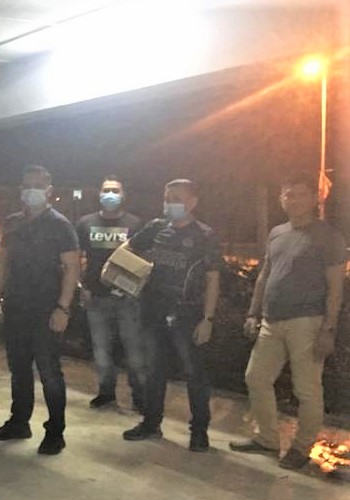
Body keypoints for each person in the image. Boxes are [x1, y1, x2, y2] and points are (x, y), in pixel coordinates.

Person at [230, 176, 346, 469]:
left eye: (300, 195)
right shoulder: (277, 233)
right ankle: (267, 439)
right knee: (256, 378)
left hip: (307, 322)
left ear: (314, 199)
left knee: (307, 389)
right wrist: (253, 313)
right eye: (288, 195)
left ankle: (301, 448)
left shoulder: (328, 237)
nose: (293, 200)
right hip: (271, 320)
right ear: (281, 199)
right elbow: (265, 275)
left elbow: (335, 287)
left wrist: (328, 329)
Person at [122, 179, 221, 453]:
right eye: (167, 198)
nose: (170, 204)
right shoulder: (155, 228)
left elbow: (213, 279)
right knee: (154, 370)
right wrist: (132, 276)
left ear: (193, 202)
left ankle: (199, 431)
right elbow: (127, 249)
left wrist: (208, 319)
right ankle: (151, 423)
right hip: (153, 310)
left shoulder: (204, 235)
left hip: (187, 313)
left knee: (194, 373)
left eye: (177, 198)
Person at [0, 165, 80, 456]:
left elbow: (72, 268)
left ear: (49, 191)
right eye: (26, 185)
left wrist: (63, 308)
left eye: (37, 186)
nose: (31, 191)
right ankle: (19, 422)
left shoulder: (60, 225)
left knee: (49, 372)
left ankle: (55, 432)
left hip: (46, 309)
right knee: (18, 370)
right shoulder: (13, 223)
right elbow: (3, 263)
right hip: (16, 307)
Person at [76, 176, 146, 411]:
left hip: (127, 299)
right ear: (99, 194)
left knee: (134, 352)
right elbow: (76, 258)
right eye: (106, 190)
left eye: (115, 190)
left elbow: (144, 260)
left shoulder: (135, 224)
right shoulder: (85, 223)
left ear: (123, 195)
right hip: (96, 298)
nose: (110, 194)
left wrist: (135, 290)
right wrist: (82, 287)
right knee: (101, 352)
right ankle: (106, 393)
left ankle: (140, 396)